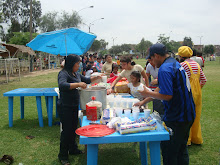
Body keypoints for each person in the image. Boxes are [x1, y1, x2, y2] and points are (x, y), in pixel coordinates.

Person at [140, 43, 195, 165]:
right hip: (188, 113)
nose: (152, 63)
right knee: (181, 149)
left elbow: (167, 96)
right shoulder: (174, 63)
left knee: (169, 152)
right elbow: (162, 88)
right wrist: (145, 100)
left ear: (156, 55)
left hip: (177, 116)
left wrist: (147, 92)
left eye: (151, 59)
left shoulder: (164, 69)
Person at [57, 55, 101, 165]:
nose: (79, 65)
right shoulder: (63, 73)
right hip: (65, 106)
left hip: (73, 105)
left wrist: (98, 77)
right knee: (67, 131)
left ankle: (73, 149)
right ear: (71, 63)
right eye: (77, 63)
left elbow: (86, 80)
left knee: (73, 128)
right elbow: (62, 85)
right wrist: (78, 84)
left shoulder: (76, 73)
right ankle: (63, 156)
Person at [177, 46, 207, 145]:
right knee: (196, 115)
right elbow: (203, 80)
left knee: (187, 116)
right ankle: (196, 138)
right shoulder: (197, 65)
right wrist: (198, 88)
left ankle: (188, 140)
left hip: (187, 94)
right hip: (198, 94)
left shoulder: (182, 65)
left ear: (181, 56)